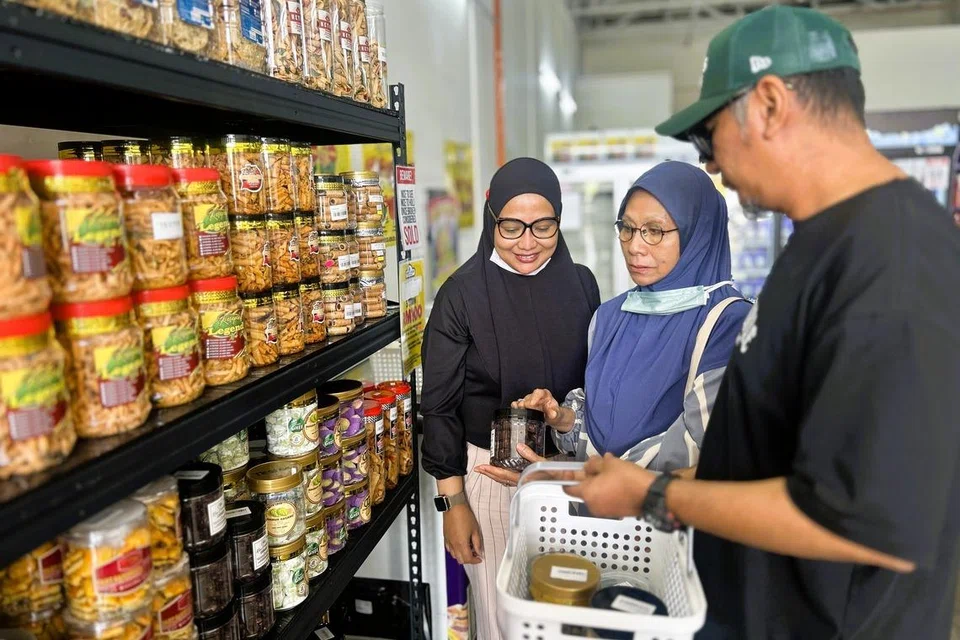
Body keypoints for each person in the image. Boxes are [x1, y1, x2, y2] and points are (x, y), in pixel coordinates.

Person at [566, 6, 960, 639]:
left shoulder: (893, 263)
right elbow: (774, 455)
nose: (713, 165)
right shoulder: (822, 244)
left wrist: (654, 496)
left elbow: (866, 520)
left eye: (709, 136)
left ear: (771, 105)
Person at [476, 162, 750, 487]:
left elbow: (704, 446)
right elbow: (598, 433)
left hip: (670, 522)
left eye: (654, 231)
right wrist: (564, 421)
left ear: (698, 234)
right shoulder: (609, 318)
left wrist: (578, 476)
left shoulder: (728, 324)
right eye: (628, 228)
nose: (635, 245)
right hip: (595, 521)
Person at [420, 157, 600, 640]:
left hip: (567, 471)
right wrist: (452, 504)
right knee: (506, 620)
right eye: (511, 227)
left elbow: (596, 382)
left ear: (559, 220)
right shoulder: (461, 294)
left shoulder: (581, 284)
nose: (527, 242)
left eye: (543, 226)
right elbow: (437, 407)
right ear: (491, 218)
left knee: (569, 614)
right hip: (489, 479)